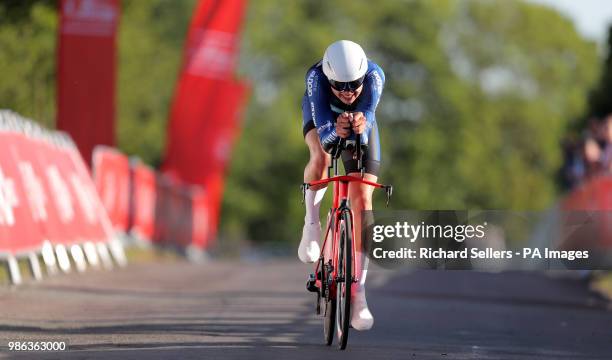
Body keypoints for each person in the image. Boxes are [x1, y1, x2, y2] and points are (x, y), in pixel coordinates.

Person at [298, 40, 385, 331]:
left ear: (364, 76)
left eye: (354, 85)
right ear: (328, 77)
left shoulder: (375, 76)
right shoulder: (316, 78)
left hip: (361, 122)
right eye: (340, 85)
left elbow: (369, 114)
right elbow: (323, 131)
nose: (348, 92)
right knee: (321, 158)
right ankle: (311, 224)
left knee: (363, 197)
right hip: (322, 118)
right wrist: (335, 132)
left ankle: (359, 293)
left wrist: (361, 125)